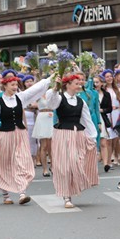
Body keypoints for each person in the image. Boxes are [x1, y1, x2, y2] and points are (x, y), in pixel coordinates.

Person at [0, 74, 53, 205]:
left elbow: (35, 90)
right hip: (4, 136)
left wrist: (50, 79)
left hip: (20, 135)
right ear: (5, 86)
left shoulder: (20, 98)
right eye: (12, 85)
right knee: (5, 164)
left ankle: (22, 193)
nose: (15, 87)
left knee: (22, 162)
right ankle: (6, 195)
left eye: (16, 85)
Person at [46, 74, 99, 209]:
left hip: (78, 134)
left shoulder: (81, 101)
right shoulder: (59, 98)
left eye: (79, 83)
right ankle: (66, 196)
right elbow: (51, 103)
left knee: (77, 162)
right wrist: (55, 88)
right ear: (68, 84)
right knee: (65, 165)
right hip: (63, 134)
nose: (79, 85)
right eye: (76, 83)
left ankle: (75, 186)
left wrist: (92, 137)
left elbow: (87, 119)